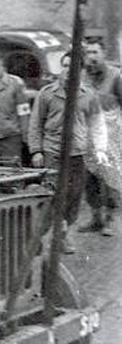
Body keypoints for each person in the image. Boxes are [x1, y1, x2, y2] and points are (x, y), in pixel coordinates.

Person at [28, 51, 108, 254]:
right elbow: (35, 123)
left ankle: (63, 234)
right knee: (51, 196)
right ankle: (39, 237)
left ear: (80, 71)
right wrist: (36, 150)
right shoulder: (46, 93)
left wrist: (99, 149)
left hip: (78, 154)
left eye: (71, 67)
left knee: (73, 198)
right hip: (52, 152)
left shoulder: (89, 95)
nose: (66, 71)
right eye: (64, 65)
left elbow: (98, 125)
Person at [80, 41, 122, 236]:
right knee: (90, 179)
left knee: (109, 180)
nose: (92, 56)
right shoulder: (83, 76)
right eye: (88, 52)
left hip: (111, 138)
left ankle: (109, 220)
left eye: (95, 52)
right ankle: (95, 218)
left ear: (103, 53)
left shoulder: (115, 76)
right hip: (87, 137)